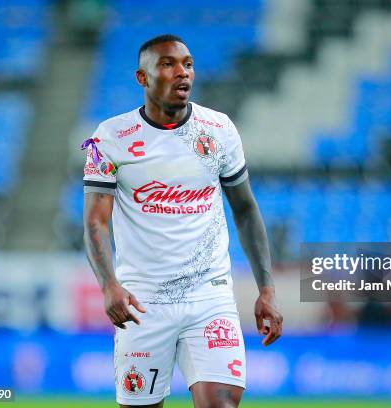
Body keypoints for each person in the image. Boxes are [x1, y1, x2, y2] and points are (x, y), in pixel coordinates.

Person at [81, 34, 283, 408]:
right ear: (142, 78)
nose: (182, 73)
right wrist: (109, 284)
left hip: (210, 296)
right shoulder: (109, 138)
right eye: (168, 64)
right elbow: (95, 221)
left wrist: (266, 288)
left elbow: (245, 208)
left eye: (187, 64)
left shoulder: (219, 130)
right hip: (142, 302)